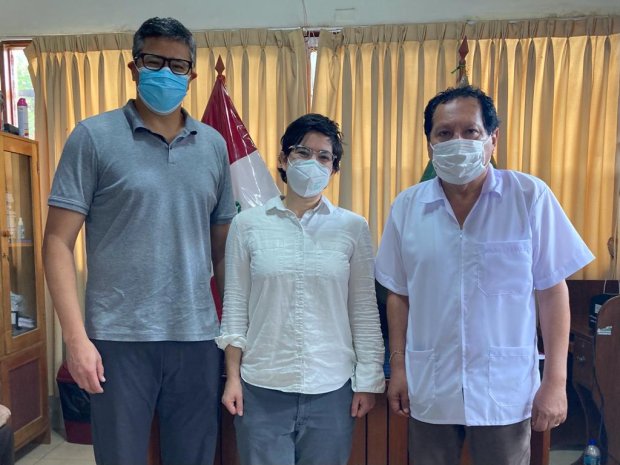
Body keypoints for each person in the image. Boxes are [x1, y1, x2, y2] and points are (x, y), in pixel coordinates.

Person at [42, 17, 236, 465]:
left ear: (192, 74)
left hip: (197, 339)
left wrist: (232, 337)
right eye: (154, 61)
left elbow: (223, 252)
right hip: (118, 338)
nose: (166, 73)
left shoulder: (213, 146)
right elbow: (56, 243)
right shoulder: (92, 137)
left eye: (178, 65)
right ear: (134, 67)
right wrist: (76, 339)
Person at [375, 85, 594, 465]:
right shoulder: (407, 207)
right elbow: (399, 293)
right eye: (444, 133)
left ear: (493, 139)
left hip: (504, 389)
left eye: (470, 131)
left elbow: (551, 290)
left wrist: (555, 381)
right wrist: (398, 367)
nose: (456, 142)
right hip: (431, 384)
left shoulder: (529, 197)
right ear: (429, 144)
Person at [216, 113, 385, 465]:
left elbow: (363, 311)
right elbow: (235, 308)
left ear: (334, 169)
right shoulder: (247, 225)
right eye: (303, 152)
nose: (313, 163)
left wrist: (368, 381)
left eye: (324, 157)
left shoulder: (353, 227)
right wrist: (232, 377)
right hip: (262, 386)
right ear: (283, 159)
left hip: (332, 388)